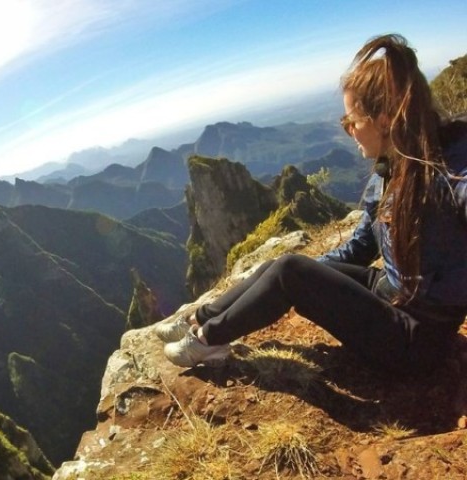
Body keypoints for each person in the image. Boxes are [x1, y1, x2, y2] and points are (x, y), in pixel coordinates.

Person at [156, 34, 467, 373]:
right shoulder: (390, 171)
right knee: (285, 265)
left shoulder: (449, 174)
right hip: (387, 291)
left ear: (384, 120)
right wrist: (306, 276)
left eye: (351, 121)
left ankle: (207, 341)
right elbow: (360, 247)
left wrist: (299, 278)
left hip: (415, 338)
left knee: (291, 272)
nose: (348, 129)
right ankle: (199, 317)